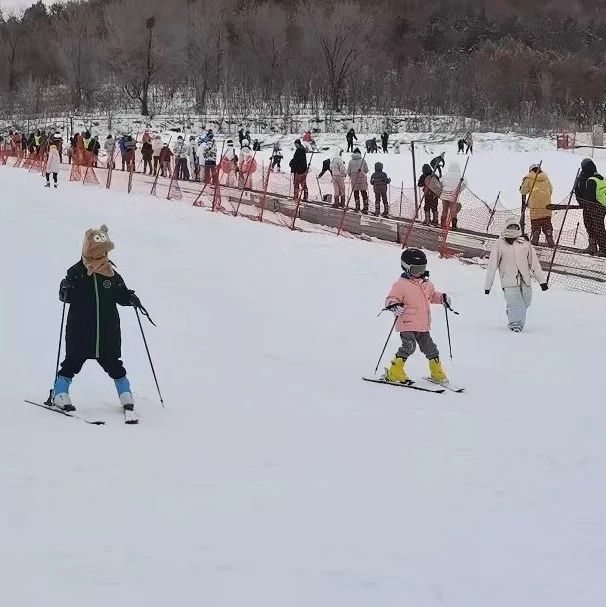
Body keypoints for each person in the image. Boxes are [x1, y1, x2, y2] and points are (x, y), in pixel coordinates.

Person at [51, 225, 143, 413]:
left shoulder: (111, 274)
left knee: (113, 362)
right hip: (80, 329)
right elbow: (64, 296)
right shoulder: (75, 273)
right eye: (99, 251)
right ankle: (60, 393)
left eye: (105, 252)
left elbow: (121, 295)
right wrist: (65, 289)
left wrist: (130, 298)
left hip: (107, 330)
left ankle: (125, 393)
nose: (102, 255)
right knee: (72, 361)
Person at [383, 248, 451, 384]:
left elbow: (432, 296)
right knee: (409, 346)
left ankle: (436, 372)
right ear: (406, 267)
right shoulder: (400, 285)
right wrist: (393, 306)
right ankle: (394, 371)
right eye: (415, 269)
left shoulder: (427, 284)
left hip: (423, 324)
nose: (419, 272)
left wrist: (442, 298)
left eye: (422, 268)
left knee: (430, 348)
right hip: (407, 322)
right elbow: (391, 299)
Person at [484, 219, 548, 332]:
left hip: (525, 279)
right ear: (506, 228)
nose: (513, 229)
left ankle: (512, 311)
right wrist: (487, 286)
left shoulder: (525, 243)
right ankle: (515, 325)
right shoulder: (499, 244)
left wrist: (542, 281)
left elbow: (534, 263)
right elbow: (492, 266)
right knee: (516, 304)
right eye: (511, 227)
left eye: (515, 227)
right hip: (508, 280)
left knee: (526, 302)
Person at [575, 158, 606, 256]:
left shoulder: (588, 179)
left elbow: (586, 195)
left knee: (595, 227)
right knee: (595, 226)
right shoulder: (600, 177)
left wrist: (584, 204)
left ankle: (602, 249)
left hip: (592, 206)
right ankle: (595, 246)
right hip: (601, 205)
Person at [520, 164, 554, 247]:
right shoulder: (545, 177)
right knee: (546, 222)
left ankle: (535, 236)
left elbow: (523, 191)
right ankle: (549, 236)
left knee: (536, 221)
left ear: (531, 170)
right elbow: (551, 189)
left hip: (535, 204)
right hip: (546, 204)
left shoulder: (528, 178)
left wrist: (521, 188)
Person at [440, 161, 465, 230]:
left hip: (444, 195)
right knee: (453, 211)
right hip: (453, 195)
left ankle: (442, 224)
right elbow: (465, 183)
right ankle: (454, 226)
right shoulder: (460, 176)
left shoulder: (446, 175)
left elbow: (441, 182)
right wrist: (459, 190)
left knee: (444, 210)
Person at [348, 148, 369, 213]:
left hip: (354, 178)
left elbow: (349, 171)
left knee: (356, 192)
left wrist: (351, 175)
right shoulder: (363, 160)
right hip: (362, 178)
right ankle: (365, 207)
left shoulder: (350, 161)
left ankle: (357, 207)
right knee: (363, 192)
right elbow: (366, 170)